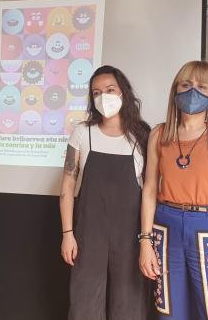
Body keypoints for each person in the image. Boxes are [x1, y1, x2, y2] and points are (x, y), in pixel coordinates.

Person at [139, 60, 208, 320]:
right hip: (166, 224)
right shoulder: (159, 135)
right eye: (185, 85)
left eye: (201, 86)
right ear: (175, 90)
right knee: (169, 309)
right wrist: (145, 241)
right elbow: (150, 189)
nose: (192, 92)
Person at [59, 65, 151, 320]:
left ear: (124, 92)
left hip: (130, 236)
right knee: (84, 303)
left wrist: (146, 240)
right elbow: (67, 185)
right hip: (88, 234)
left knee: (129, 306)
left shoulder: (142, 136)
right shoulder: (81, 133)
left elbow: (151, 191)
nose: (104, 96)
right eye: (97, 92)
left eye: (110, 90)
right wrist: (68, 234)